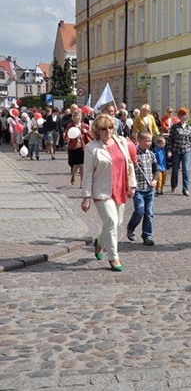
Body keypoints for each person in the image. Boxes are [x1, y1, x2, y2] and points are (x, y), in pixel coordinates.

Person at [81, 114, 137, 272]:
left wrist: (132, 185)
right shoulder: (92, 147)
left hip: (120, 188)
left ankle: (99, 242)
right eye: (103, 129)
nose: (108, 131)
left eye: (110, 128)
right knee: (111, 221)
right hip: (102, 191)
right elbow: (87, 173)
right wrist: (86, 196)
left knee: (116, 223)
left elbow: (129, 164)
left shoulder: (121, 142)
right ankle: (113, 257)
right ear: (97, 131)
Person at [126, 131, 159, 246]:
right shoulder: (133, 154)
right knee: (140, 210)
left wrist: (154, 180)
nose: (150, 143)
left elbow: (156, 169)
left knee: (149, 213)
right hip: (138, 189)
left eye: (151, 140)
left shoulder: (151, 154)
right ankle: (131, 227)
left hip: (149, 189)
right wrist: (133, 165)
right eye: (148, 140)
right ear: (140, 141)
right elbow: (127, 170)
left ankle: (147, 235)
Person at [167, 107, 191, 196]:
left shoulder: (189, 127)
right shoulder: (175, 127)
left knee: (186, 170)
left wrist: (190, 150)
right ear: (180, 116)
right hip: (176, 150)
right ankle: (174, 185)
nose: (186, 116)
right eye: (184, 115)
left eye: (187, 115)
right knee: (175, 170)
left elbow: (190, 139)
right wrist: (169, 150)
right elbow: (170, 139)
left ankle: (186, 189)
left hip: (186, 150)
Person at [64, 110, 92, 187]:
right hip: (73, 147)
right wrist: (67, 138)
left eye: (80, 116)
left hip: (82, 147)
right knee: (75, 165)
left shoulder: (85, 125)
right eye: (77, 116)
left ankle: (82, 182)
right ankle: (73, 175)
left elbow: (91, 135)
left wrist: (86, 132)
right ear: (73, 117)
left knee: (82, 165)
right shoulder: (70, 125)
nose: (79, 117)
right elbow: (66, 135)